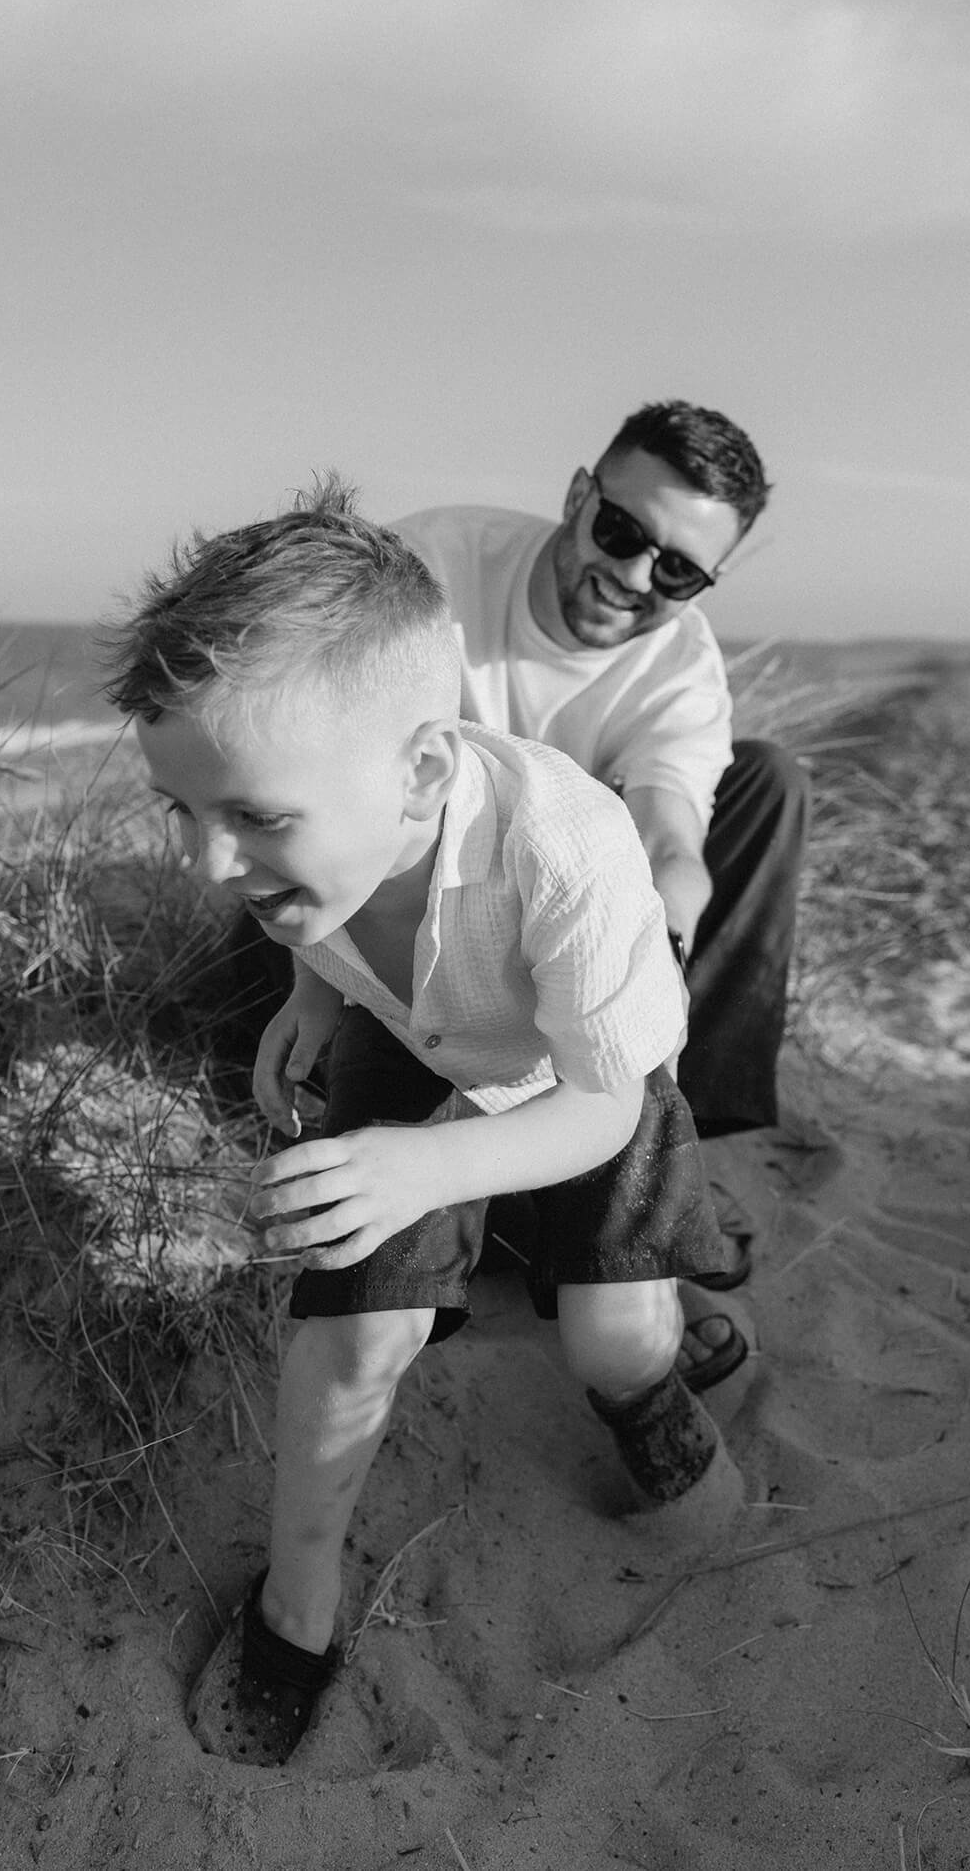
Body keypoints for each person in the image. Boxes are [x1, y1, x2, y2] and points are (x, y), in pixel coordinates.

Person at [104, 479, 742, 1768]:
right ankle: (300, 1602)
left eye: (255, 819)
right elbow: (322, 924)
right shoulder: (318, 851)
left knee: (607, 1340)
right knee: (354, 1329)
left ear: (424, 773)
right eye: (185, 812)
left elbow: (603, 1100)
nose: (209, 866)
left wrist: (433, 1164)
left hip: (584, 1075)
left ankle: (667, 1357)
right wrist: (304, 995)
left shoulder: (566, 847)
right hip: (409, 1039)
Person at [393, 402, 810, 1367]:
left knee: (765, 783)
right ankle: (549, 1204)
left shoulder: (679, 664)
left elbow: (673, 834)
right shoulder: (432, 568)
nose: (632, 577)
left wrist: (651, 956)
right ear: (579, 495)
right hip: (406, 901)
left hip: (565, 925)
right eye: (620, 532)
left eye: (676, 570)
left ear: (705, 582)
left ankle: (660, 1153)